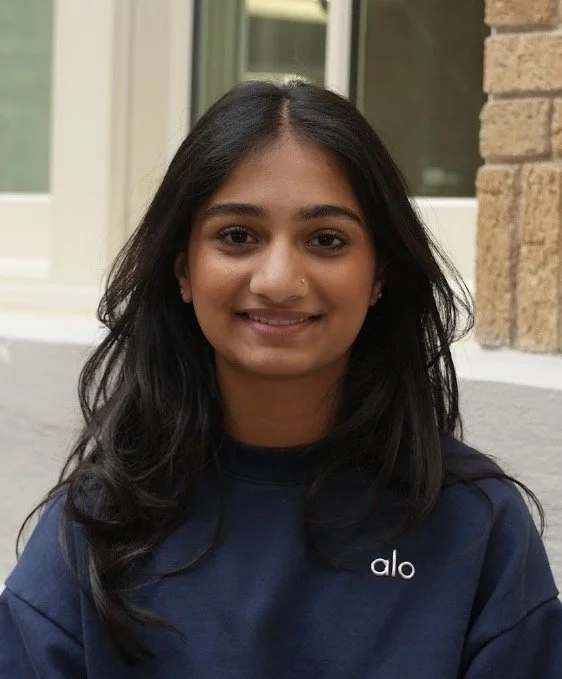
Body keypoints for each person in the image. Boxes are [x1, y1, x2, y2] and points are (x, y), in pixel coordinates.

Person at [0, 80, 560, 678]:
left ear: (379, 277)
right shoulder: (95, 528)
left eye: (326, 240)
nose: (277, 279)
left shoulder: (478, 531)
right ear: (184, 270)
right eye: (238, 236)